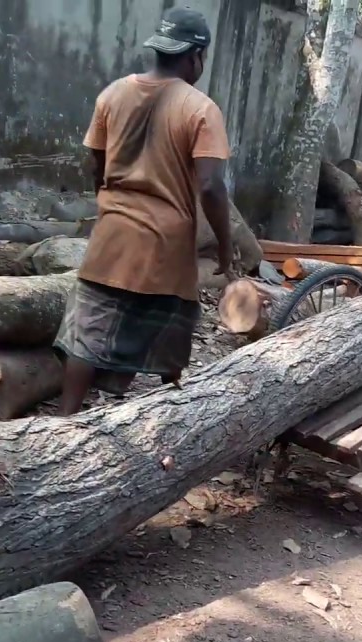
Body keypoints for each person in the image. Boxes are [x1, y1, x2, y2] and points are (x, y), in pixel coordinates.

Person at [54, 7, 236, 416]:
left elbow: (95, 163)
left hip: (112, 235)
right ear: (196, 56)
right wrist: (225, 250)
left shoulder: (112, 95)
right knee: (171, 333)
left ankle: (64, 421)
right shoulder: (201, 109)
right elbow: (210, 185)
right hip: (165, 245)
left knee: (87, 331)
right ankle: (173, 414)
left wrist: (108, 197)